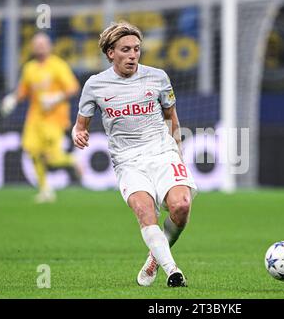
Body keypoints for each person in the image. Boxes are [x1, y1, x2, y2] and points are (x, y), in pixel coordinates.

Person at [72, 21, 197, 287]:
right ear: (110, 53)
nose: (132, 55)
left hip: (162, 152)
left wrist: (178, 153)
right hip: (128, 160)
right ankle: (173, 271)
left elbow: (171, 116)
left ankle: (154, 257)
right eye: (125, 49)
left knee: (181, 206)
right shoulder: (95, 85)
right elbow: (80, 126)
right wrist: (78, 134)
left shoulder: (158, 77)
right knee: (145, 211)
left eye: (137, 49)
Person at [1, 32, 81, 203]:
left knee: (52, 157)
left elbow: (73, 87)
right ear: (32, 47)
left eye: (43, 44)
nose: (40, 48)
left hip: (54, 119)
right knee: (32, 151)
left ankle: (72, 160)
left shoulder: (58, 65)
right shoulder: (30, 67)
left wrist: (56, 98)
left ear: (49, 46)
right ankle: (45, 190)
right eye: (37, 45)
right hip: (35, 118)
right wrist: (12, 99)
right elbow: (24, 90)